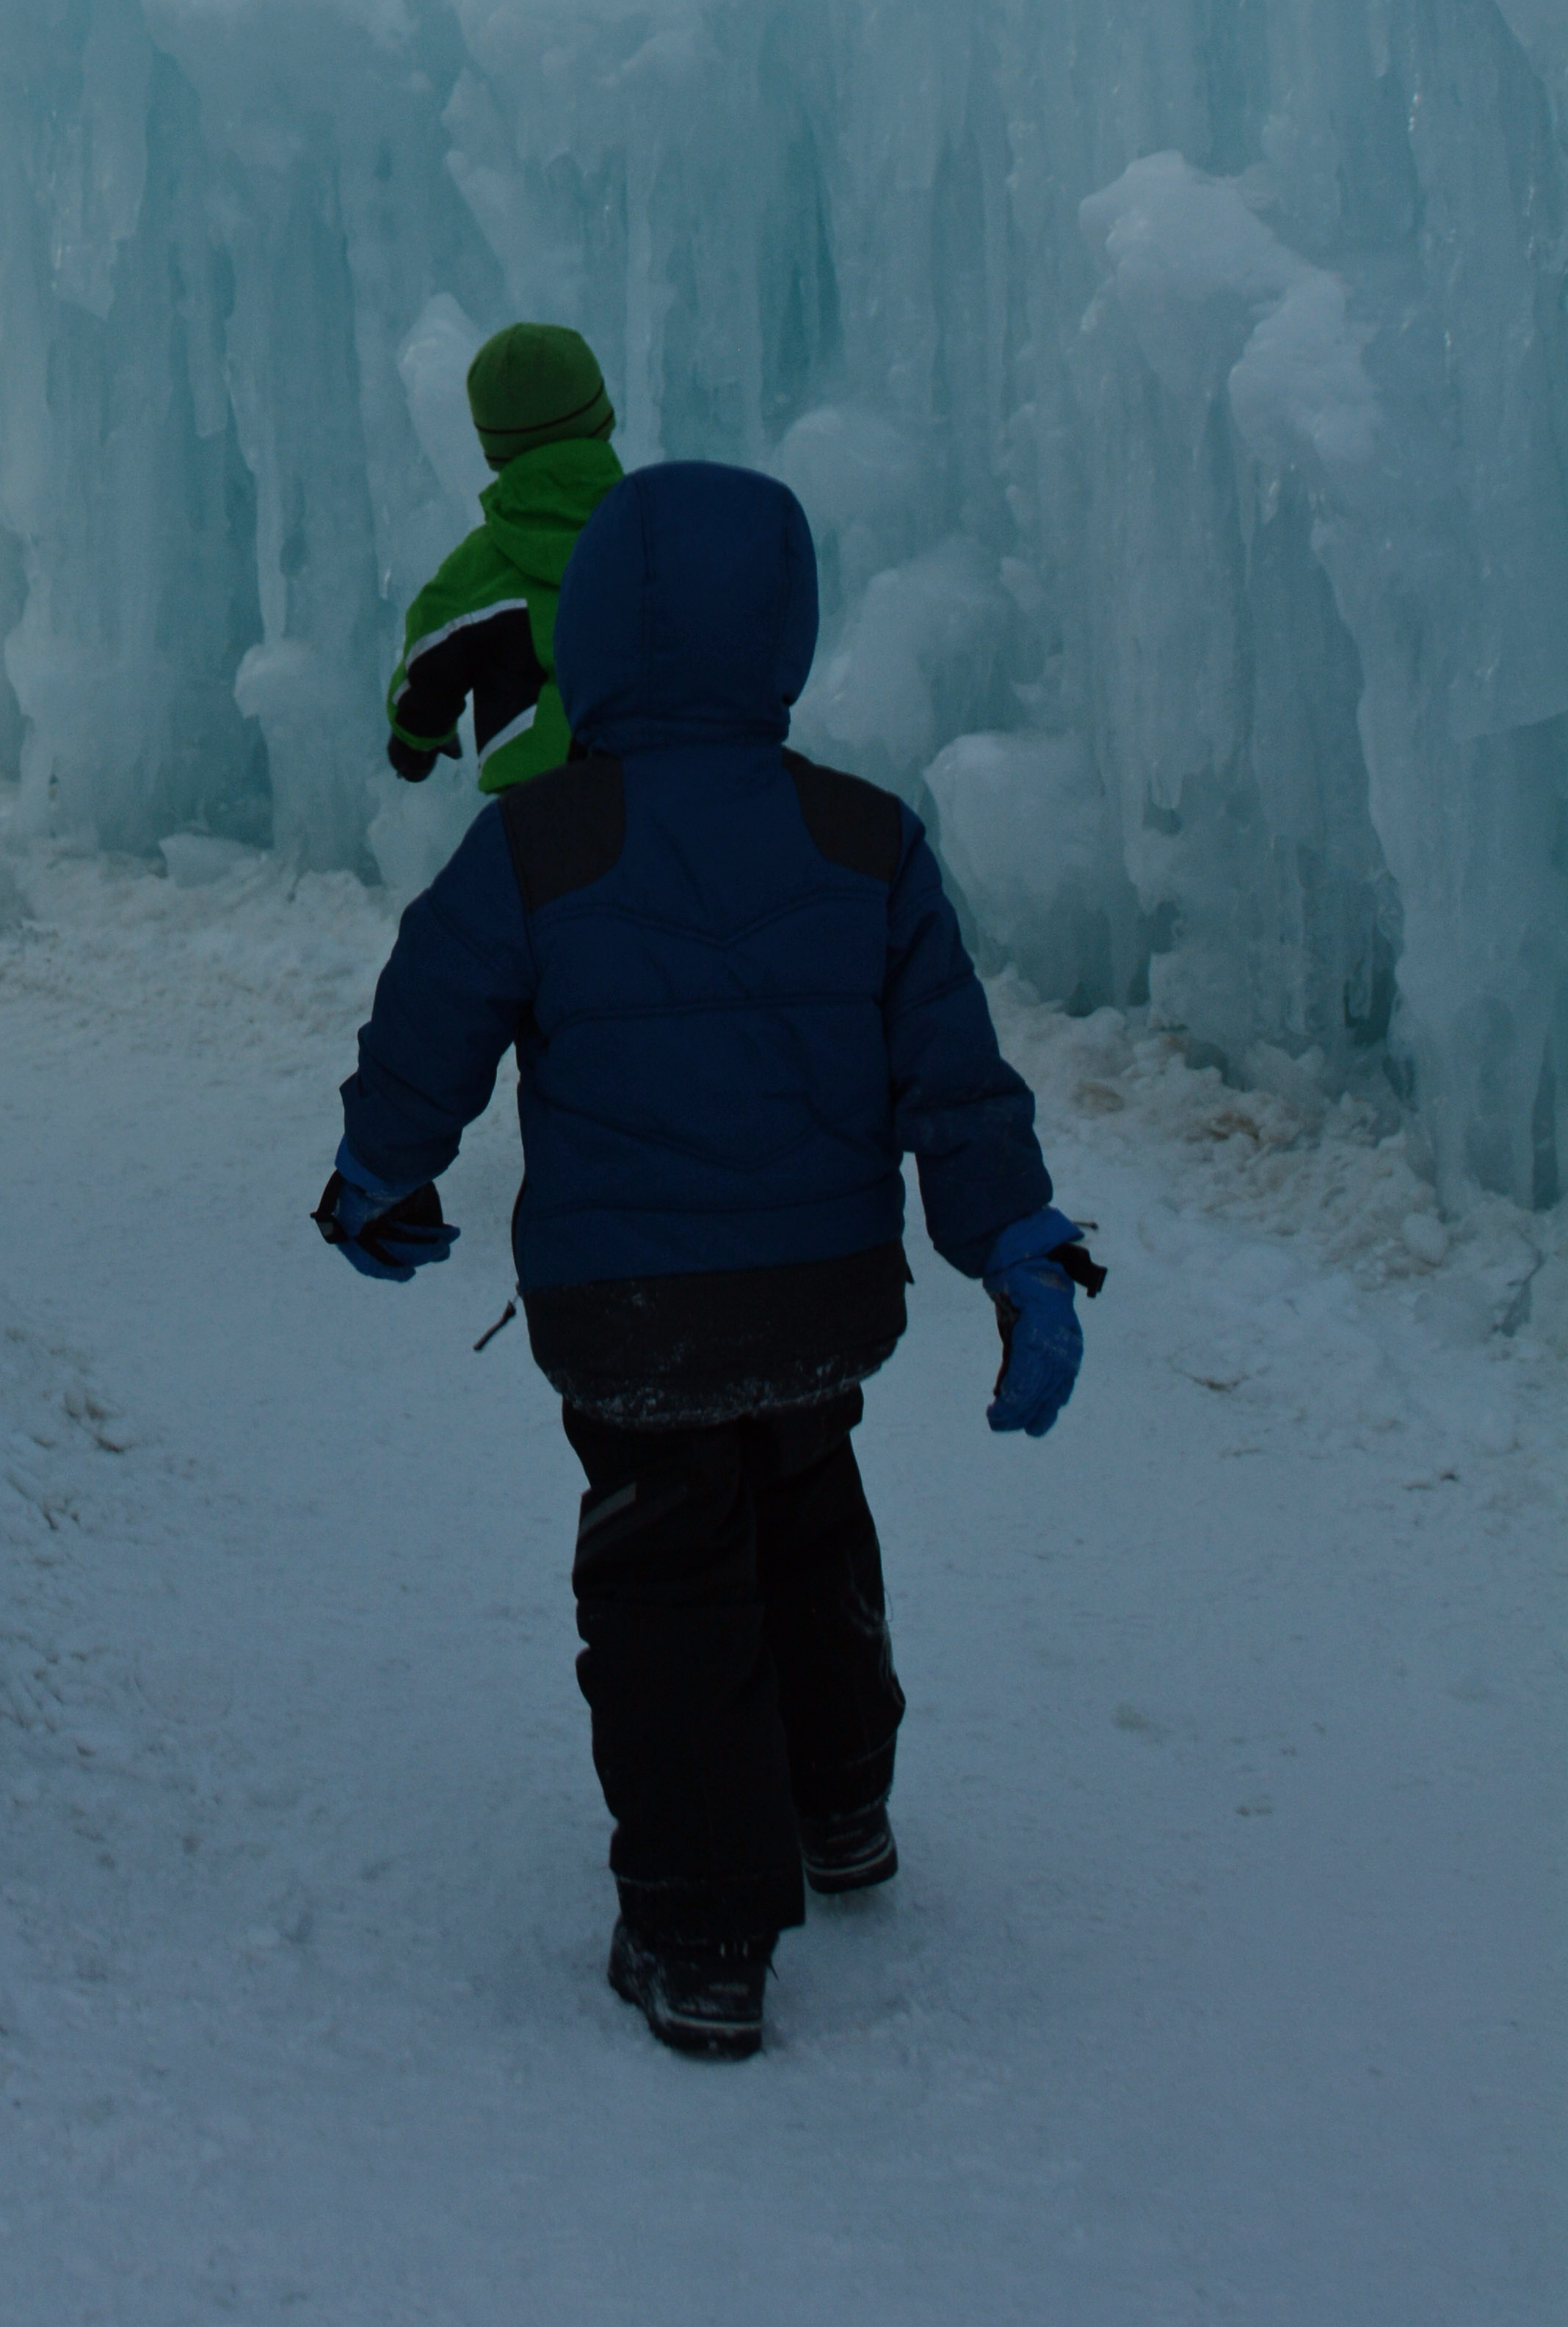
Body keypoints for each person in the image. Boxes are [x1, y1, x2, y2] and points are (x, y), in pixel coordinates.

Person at [315, 460, 1102, 2063]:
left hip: (628, 1313)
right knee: (807, 1520)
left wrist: (373, 1179)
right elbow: (950, 1080)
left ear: (589, 638)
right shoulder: (863, 840)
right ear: (783, 642)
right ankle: (840, 1805)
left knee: (666, 1578)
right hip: (821, 1294)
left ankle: (699, 1928)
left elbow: (428, 1027)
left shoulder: (537, 840)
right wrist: (1014, 1244)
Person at [385, 321, 623, 795]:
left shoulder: (486, 564)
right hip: (654, 786)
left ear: (493, 443)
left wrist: (415, 738)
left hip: (541, 805)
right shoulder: (646, 527)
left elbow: (429, 653)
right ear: (600, 411)